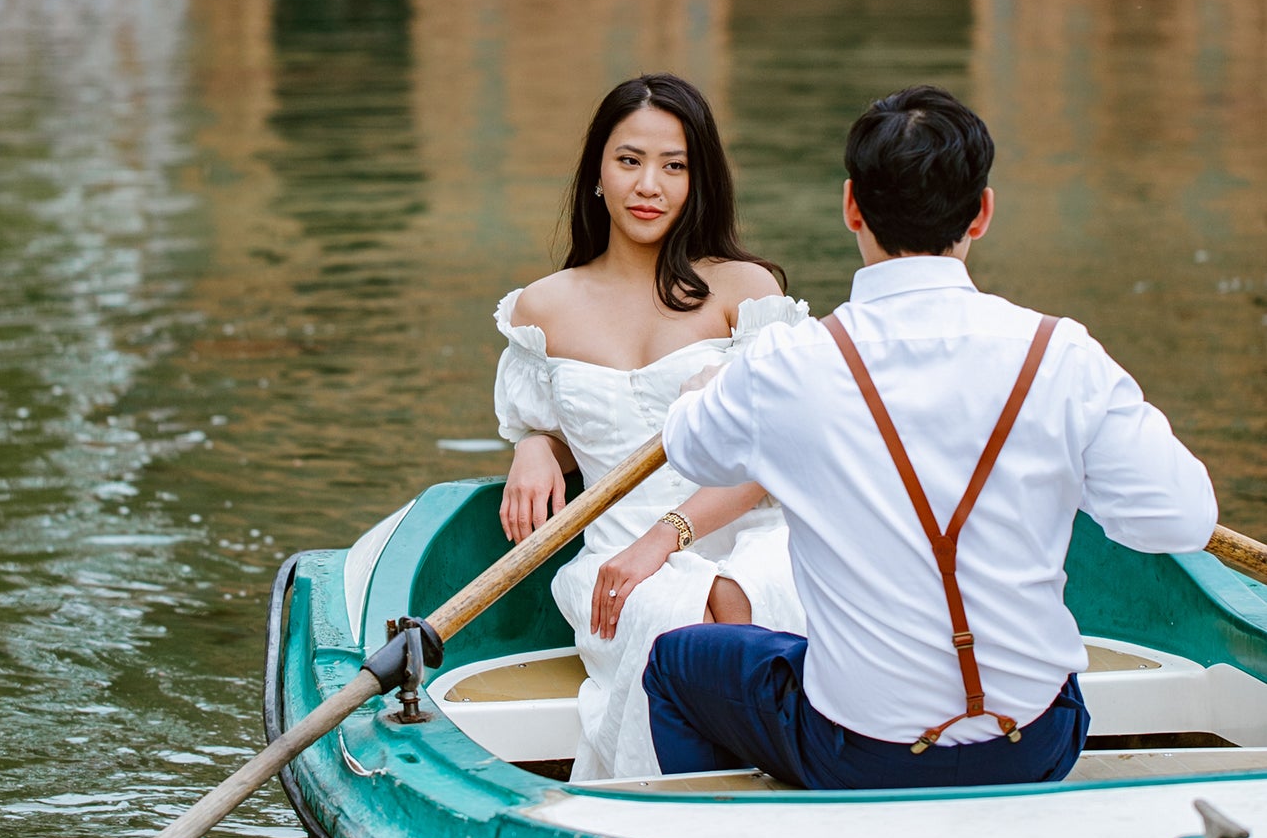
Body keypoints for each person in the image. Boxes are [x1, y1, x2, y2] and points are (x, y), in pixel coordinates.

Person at [645, 84, 1218, 792]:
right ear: (981, 211)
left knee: (676, 662)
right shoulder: (1061, 355)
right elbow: (1182, 520)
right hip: (1035, 739)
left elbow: (689, 450)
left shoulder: (787, 364)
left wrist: (701, 388)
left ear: (851, 205)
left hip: (857, 751)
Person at [495, 73, 809, 780]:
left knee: (754, 589)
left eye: (674, 167)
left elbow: (774, 453)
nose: (649, 186)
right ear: (596, 175)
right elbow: (539, 415)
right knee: (670, 611)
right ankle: (673, 815)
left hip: (749, 526)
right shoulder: (541, 309)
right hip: (614, 552)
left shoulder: (746, 291)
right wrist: (533, 445)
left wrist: (665, 538)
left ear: (699, 182)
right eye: (629, 161)